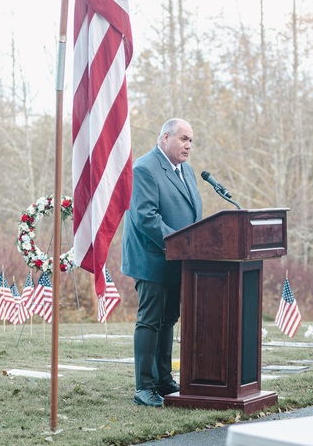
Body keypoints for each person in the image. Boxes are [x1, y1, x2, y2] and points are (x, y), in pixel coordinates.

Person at [121, 118, 203, 407]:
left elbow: (192, 214)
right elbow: (146, 217)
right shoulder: (145, 168)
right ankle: (144, 387)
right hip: (152, 258)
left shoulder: (188, 171)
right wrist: (182, 245)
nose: (188, 145)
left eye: (191, 140)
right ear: (165, 137)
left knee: (169, 319)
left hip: (178, 261)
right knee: (150, 321)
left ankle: (164, 380)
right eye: (183, 139)